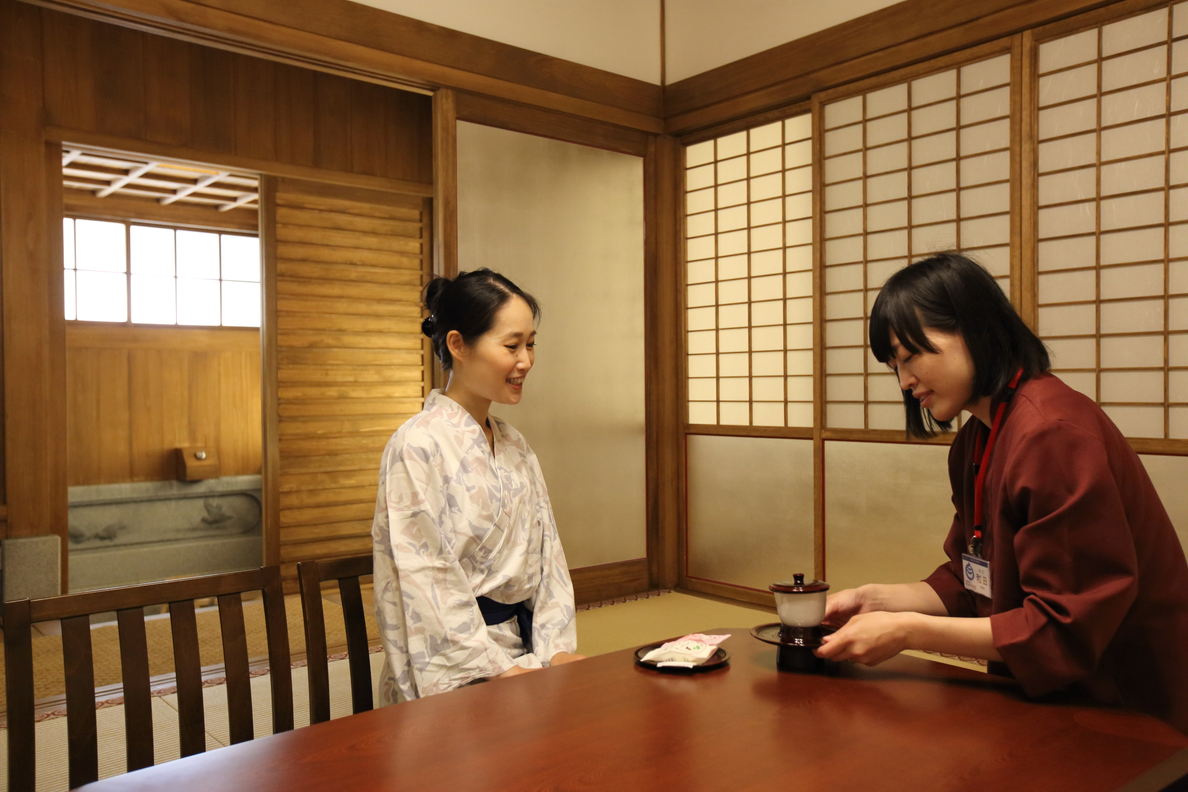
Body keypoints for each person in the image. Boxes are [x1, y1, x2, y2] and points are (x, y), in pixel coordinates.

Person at [816, 252, 1188, 732]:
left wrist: (907, 631)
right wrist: (877, 601)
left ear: (973, 329)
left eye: (911, 357)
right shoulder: (978, 436)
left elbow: (1065, 625)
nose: (906, 383)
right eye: (894, 366)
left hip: (1124, 708)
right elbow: (973, 577)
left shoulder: (1053, 433)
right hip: (1046, 697)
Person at [371, 268, 583, 702]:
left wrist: (556, 650)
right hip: (458, 669)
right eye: (511, 346)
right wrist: (494, 672)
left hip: (529, 657)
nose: (525, 360)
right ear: (457, 344)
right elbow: (425, 580)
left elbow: (549, 560)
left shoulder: (513, 444)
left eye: (531, 344)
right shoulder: (417, 445)